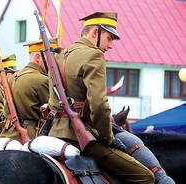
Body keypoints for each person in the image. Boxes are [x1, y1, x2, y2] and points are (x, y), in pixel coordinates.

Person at [47, 12, 155, 183]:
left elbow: (53, 102)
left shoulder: (59, 56)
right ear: (95, 33)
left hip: (54, 135)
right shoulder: (93, 55)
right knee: (146, 177)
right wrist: (108, 138)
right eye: (109, 38)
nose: (110, 45)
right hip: (81, 136)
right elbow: (99, 105)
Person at [0, 38, 59, 144]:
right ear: (38, 57)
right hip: (30, 136)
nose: (54, 62)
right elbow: (53, 115)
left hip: (7, 135)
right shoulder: (43, 81)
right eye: (51, 57)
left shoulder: (12, 77)